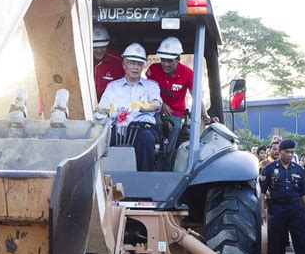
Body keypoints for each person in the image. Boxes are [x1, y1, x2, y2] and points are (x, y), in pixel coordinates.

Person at [146, 36, 217, 170]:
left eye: (170, 61)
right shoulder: (153, 70)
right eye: (163, 60)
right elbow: (145, 91)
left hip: (175, 115)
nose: (165, 64)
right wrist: (160, 104)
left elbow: (197, 97)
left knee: (168, 148)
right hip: (154, 111)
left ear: (178, 59)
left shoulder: (188, 74)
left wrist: (205, 117)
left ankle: (165, 171)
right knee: (147, 138)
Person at [96, 43, 162, 171]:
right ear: (124, 64)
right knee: (101, 141)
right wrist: (102, 111)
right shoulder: (112, 86)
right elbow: (103, 106)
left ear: (143, 66)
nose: (136, 67)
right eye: (132, 63)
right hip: (118, 128)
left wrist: (145, 107)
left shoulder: (151, 86)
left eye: (139, 64)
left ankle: (144, 179)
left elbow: (157, 103)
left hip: (142, 129)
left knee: (146, 138)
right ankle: (102, 180)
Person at [259, 139, 305, 254]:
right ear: (280, 152)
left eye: (292, 152)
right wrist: (262, 210)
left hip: (296, 208)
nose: (290, 155)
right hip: (277, 209)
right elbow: (262, 192)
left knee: (301, 242)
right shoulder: (270, 169)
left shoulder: (298, 169)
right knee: (277, 242)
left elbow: (304, 191)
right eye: (287, 152)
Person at [92, 24, 125, 101]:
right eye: (95, 47)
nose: (99, 51)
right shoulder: (81, 59)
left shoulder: (118, 62)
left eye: (102, 47)